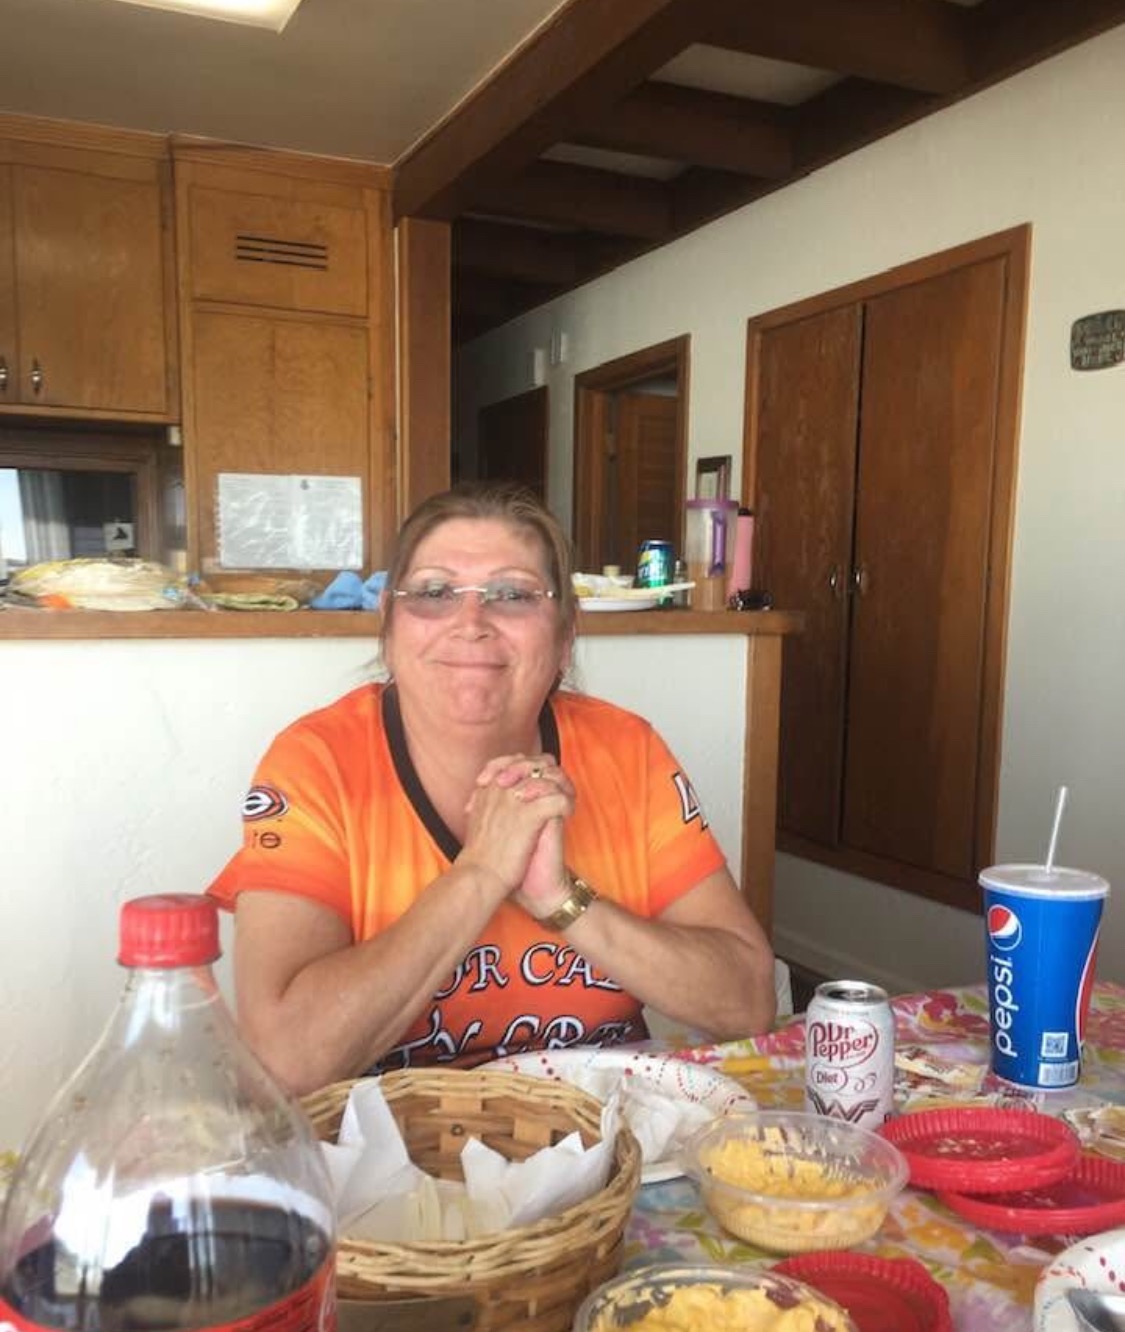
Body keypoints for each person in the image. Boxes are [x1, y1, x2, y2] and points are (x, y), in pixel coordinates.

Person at [209, 482, 777, 1093]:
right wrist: (480, 873)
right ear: (389, 629)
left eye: (513, 595)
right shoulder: (317, 761)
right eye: (434, 592)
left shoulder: (626, 750)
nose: (471, 623)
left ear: (564, 637)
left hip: (598, 1126)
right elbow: (286, 1059)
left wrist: (562, 900)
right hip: (387, 1141)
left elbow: (747, 1000)